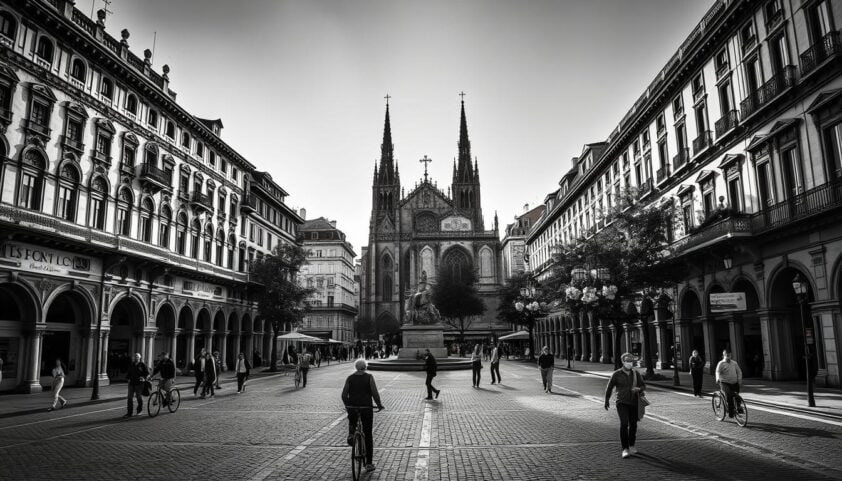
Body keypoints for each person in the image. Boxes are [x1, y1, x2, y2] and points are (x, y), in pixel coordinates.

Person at [341, 359, 385, 473]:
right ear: (365, 367)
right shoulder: (369, 377)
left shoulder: (350, 378)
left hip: (353, 407)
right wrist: (379, 405)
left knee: (352, 419)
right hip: (366, 408)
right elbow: (374, 393)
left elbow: (344, 395)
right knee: (368, 434)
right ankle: (369, 463)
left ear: (356, 367)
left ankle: (351, 434)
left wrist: (348, 405)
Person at [604, 352, 645, 458]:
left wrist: (639, 389)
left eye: (631, 361)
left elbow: (643, 386)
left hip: (634, 402)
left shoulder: (636, 374)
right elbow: (609, 387)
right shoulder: (616, 374)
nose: (629, 363)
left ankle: (631, 445)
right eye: (627, 361)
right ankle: (625, 449)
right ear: (623, 362)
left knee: (633, 425)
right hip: (621, 402)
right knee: (624, 423)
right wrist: (606, 400)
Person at [715, 349, 743, 418]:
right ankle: (731, 413)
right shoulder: (721, 363)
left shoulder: (734, 363)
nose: (728, 357)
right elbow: (717, 372)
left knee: (737, 396)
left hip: (734, 382)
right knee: (729, 395)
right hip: (725, 383)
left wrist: (739, 379)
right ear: (724, 356)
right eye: (727, 355)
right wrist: (717, 378)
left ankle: (738, 407)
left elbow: (739, 372)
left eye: (729, 355)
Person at [124, 353, 149, 418]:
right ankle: (129, 413)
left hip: (139, 384)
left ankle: (139, 410)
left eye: (137, 357)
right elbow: (129, 373)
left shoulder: (142, 364)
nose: (136, 358)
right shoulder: (131, 364)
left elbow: (147, 373)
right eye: (135, 356)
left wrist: (143, 377)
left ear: (140, 358)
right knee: (129, 398)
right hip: (131, 383)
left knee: (138, 397)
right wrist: (128, 378)